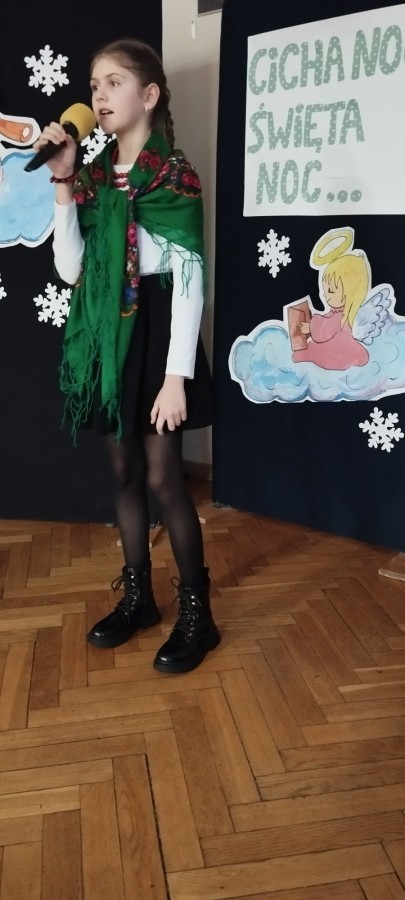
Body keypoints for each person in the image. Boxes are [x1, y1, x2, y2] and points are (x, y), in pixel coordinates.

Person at [34, 37, 220, 674]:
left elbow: (189, 282)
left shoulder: (175, 176)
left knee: (166, 477)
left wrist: (176, 378)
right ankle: (139, 597)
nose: (99, 95)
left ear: (149, 94)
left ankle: (198, 615)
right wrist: (63, 181)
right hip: (108, 337)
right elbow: (71, 270)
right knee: (123, 474)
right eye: (94, 85)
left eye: (114, 82)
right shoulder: (90, 177)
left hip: (159, 332)